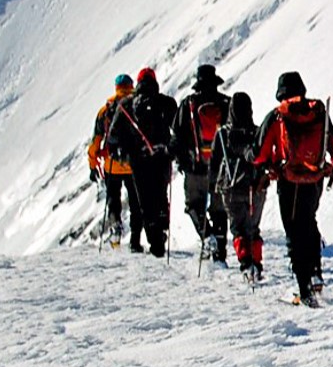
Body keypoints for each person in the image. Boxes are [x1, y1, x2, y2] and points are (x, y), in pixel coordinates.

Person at [255, 71, 333, 306]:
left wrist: (270, 167)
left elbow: (259, 153)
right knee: (309, 221)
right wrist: (332, 169)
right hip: (314, 179)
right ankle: (315, 273)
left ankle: (304, 287)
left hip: (289, 182)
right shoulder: (318, 113)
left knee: (294, 231)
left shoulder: (277, 116)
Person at [110, 67, 178, 258]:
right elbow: (179, 129)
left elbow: (114, 137)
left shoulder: (126, 104)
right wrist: (171, 150)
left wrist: (124, 154)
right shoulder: (165, 102)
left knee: (145, 201)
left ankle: (154, 240)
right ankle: (163, 225)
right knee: (160, 193)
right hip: (161, 156)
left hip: (138, 161)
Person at [173, 64, 232, 264]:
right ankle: (220, 254)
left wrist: (181, 161)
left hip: (195, 165)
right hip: (220, 167)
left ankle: (207, 237)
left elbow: (177, 136)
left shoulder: (189, 104)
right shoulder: (226, 103)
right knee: (219, 210)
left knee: (193, 205)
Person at [210, 92, 270, 283]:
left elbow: (214, 162)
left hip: (231, 187)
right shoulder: (257, 131)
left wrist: (212, 185)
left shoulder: (222, 134)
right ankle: (257, 264)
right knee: (253, 227)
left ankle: (246, 264)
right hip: (256, 186)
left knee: (238, 229)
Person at [87, 74, 143, 250]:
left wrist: (92, 164)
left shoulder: (106, 109)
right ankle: (135, 241)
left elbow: (96, 140)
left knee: (113, 200)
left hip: (112, 164)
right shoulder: (138, 105)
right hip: (134, 163)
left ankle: (115, 228)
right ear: (131, 85)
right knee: (136, 203)